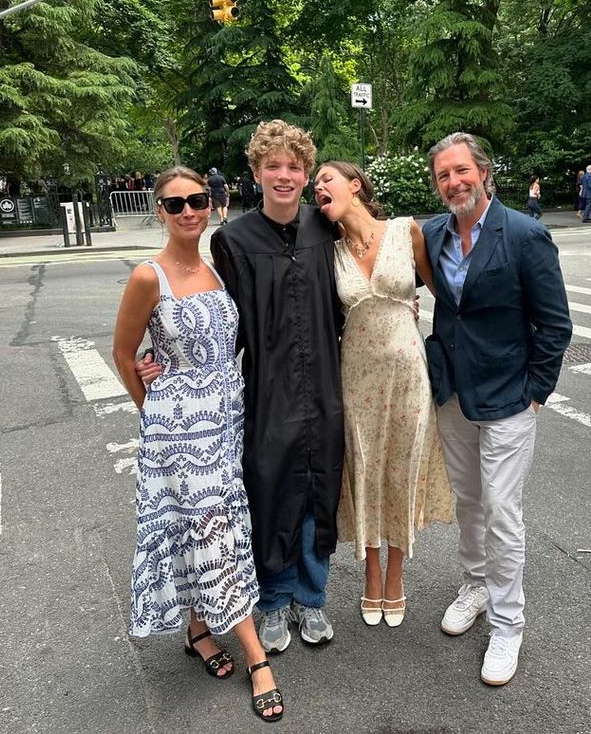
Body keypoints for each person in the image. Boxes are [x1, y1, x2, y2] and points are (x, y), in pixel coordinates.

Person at [137, 120, 344, 655]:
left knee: (319, 488)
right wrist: (166, 362)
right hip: (265, 388)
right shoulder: (234, 240)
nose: (283, 175)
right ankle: (273, 601)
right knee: (270, 492)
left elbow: (354, 294)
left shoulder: (327, 229)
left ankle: (312, 597)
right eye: (272, 165)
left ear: (305, 174)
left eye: (293, 166)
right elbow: (214, 318)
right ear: (255, 173)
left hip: (323, 385)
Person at [112, 166, 283, 722]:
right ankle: (257, 658)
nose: (189, 210)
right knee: (216, 533)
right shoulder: (148, 276)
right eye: (176, 203)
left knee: (205, 526)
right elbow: (123, 353)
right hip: (180, 433)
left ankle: (197, 629)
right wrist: (157, 413)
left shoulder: (215, 269)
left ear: (211, 204)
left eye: (198, 200)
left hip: (225, 420)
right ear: (158, 211)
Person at [422, 132, 572, 686]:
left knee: (503, 512)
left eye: (462, 171)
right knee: (468, 501)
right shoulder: (432, 233)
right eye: (444, 175)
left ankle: (508, 625)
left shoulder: (525, 234)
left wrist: (537, 392)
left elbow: (555, 324)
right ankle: (476, 584)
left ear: (484, 172)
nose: (454, 182)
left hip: (510, 397)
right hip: (453, 393)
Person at [313, 161, 454, 629]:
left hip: (408, 375)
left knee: (400, 469)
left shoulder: (404, 231)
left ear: (355, 186)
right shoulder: (328, 251)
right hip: (356, 377)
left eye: (324, 179)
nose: (317, 188)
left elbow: (446, 296)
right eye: (315, 185)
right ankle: (371, 576)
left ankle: (396, 577)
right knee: (366, 469)